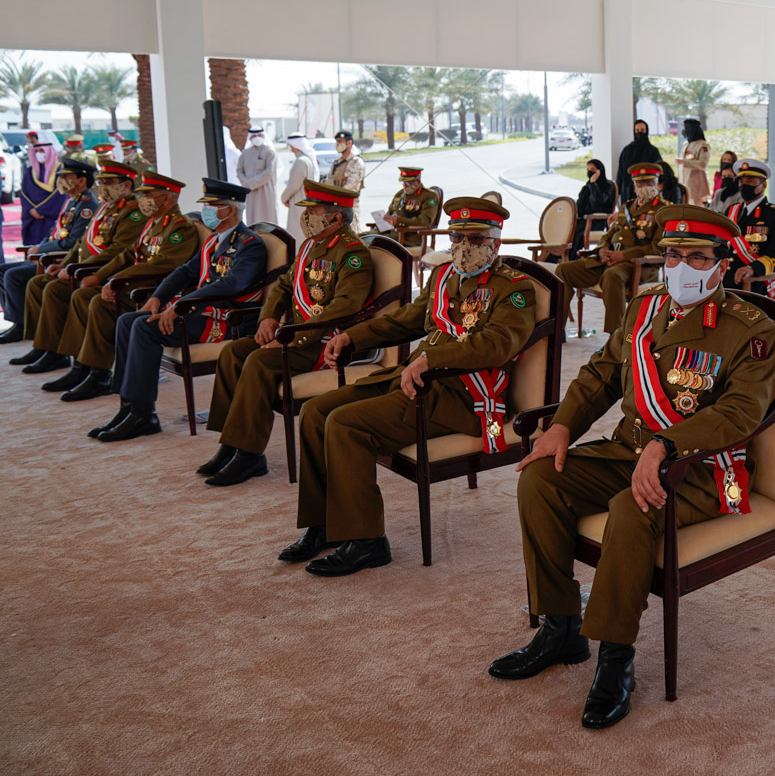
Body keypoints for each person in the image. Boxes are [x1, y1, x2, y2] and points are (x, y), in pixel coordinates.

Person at [493, 205, 775, 729]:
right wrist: (563, 425)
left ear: (723, 264)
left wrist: (667, 444)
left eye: (697, 257)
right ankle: (561, 627)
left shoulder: (748, 328)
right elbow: (602, 373)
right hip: (629, 449)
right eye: (673, 255)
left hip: (701, 469)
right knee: (540, 478)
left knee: (632, 507)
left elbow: (741, 412)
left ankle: (615, 656)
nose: (682, 267)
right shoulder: (644, 307)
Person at [281, 196, 535, 576]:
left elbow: (497, 344)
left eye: (476, 239)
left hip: (461, 396)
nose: (464, 248)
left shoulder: (513, 289)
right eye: (457, 238)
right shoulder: (443, 277)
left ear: (495, 243)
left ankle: (367, 541)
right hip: (416, 381)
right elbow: (404, 320)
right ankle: (326, 525)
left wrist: (433, 358)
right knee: (316, 412)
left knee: (345, 425)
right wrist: (352, 337)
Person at [200, 183, 373, 487]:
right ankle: (230, 443)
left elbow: (346, 305)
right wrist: (268, 317)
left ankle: (250, 455)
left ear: (336, 218)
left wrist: (298, 335)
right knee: (232, 353)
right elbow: (283, 285)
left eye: (313, 210)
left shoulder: (353, 253)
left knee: (258, 362)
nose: (305, 216)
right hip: (297, 334)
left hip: (327, 343)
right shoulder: (311, 245)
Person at [90, 178, 267, 441]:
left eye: (212, 205)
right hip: (202, 312)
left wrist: (181, 305)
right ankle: (128, 406)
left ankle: (144, 416)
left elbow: (232, 284)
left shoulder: (249, 244)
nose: (206, 211)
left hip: (227, 320)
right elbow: (184, 272)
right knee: (128, 320)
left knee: (144, 328)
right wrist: (158, 298)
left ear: (230, 210)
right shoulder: (214, 241)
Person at [39, 172, 199, 402]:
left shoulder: (180, 228)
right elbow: (127, 255)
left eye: (148, 195)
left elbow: (161, 266)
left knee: (98, 302)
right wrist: (101, 277)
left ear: (166, 198)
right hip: (131, 286)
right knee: (83, 295)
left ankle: (99, 374)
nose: (142, 200)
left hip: (150, 292)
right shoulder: (154, 223)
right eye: (142, 195)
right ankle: (83, 366)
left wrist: (115, 281)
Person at [10, 162, 146, 374]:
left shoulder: (133, 212)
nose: (102, 186)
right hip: (86, 269)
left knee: (57, 290)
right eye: (100, 182)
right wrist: (64, 264)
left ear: (126, 185)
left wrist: (77, 268)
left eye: (108, 182)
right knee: (38, 283)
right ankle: (46, 348)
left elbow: (118, 251)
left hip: (106, 273)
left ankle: (78, 363)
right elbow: (81, 242)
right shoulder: (106, 207)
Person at [555, 164, 666, 335]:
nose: (644, 187)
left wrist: (623, 255)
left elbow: (658, 248)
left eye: (648, 182)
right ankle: (557, 330)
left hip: (637, 265)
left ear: (657, 184)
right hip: (608, 260)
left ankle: (615, 337)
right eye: (639, 183)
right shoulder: (627, 207)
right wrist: (602, 250)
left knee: (612, 275)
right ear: (634, 186)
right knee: (563, 270)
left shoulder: (663, 210)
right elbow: (608, 235)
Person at [0, 159, 98, 344]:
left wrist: (41, 250)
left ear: (81, 180)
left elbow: (72, 242)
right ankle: (18, 320)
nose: (61, 180)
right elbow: (54, 233)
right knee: (2, 270)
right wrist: (39, 248)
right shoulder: (71, 201)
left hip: (59, 260)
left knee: (13, 276)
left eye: (67, 176)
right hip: (47, 255)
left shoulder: (87, 206)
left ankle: (21, 325)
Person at [723, 158, 775, 298]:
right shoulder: (732, 210)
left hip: (755, 281)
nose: (744, 185)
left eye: (750, 181)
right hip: (725, 278)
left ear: (763, 184)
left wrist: (753, 269)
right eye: (741, 182)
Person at [616, 119, 680, 206]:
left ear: (647, 131)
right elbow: (620, 172)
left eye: (642, 130)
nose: (639, 133)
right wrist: (617, 191)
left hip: (648, 190)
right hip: (628, 190)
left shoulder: (653, 151)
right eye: (637, 130)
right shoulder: (627, 151)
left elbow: (659, 170)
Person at [376, 167, 441, 248]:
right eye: (403, 182)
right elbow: (389, 215)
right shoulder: (400, 194)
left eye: (407, 183)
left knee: (373, 243)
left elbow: (425, 221)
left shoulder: (428, 196)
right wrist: (383, 220)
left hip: (408, 239)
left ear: (417, 182)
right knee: (362, 238)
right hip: (389, 234)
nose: (404, 185)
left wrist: (398, 220)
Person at [20, 136, 65, 248]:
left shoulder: (60, 171)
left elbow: (60, 194)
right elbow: (24, 193)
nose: (39, 154)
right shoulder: (29, 171)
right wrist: (31, 210)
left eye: (42, 151)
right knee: (33, 246)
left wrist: (41, 210)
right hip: (33, 218)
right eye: (37, 151)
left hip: (51, 217)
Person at [572, 158, 618, 257]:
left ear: (599, 171)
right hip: (583, 219)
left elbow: (597, 202)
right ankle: (557, 256)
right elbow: (580, 205)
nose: (589, 172)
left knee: (577, 229)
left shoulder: (607, 187)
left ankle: (573, 257)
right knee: (566, 227)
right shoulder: (586, 187)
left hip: (596, 221)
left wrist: (593, 184)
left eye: (592, 169)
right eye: (588, 170)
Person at [281, 135, 319, 246]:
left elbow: (294, 185)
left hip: (299, 201)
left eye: (290, 144)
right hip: (304, 201)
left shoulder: (301, 161)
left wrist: (284, 198)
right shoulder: (306, 159)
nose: (288, 146)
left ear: (295, 145)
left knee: (297, 234)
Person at [237, 128, 278, 225]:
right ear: (250, 137)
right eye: (254, 136)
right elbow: (239, 171)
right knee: (253, 219)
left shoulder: (269, 152)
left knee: (268, 219)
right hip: (251, 193)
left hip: (266, 191)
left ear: (263, 136)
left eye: (259, 135)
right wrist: (245, 182)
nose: (257, 138)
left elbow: (269, 172)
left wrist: (251, 183)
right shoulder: (245, 153)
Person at [326, 129, 367, 225]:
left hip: (348, 209)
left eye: (340, 141)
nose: (337, 144)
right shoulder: (337, 162)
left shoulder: (356, 162)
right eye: (337, 142)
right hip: (334, 208)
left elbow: (350, 188)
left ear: (349, 143)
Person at [675, 118, 710, 205]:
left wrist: (684, 162)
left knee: (697, 210)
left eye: (686, 129)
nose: (684, 131)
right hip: (685, 185)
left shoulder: (702, 145)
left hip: (696, 188)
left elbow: (703, 164)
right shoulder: (686, 144)